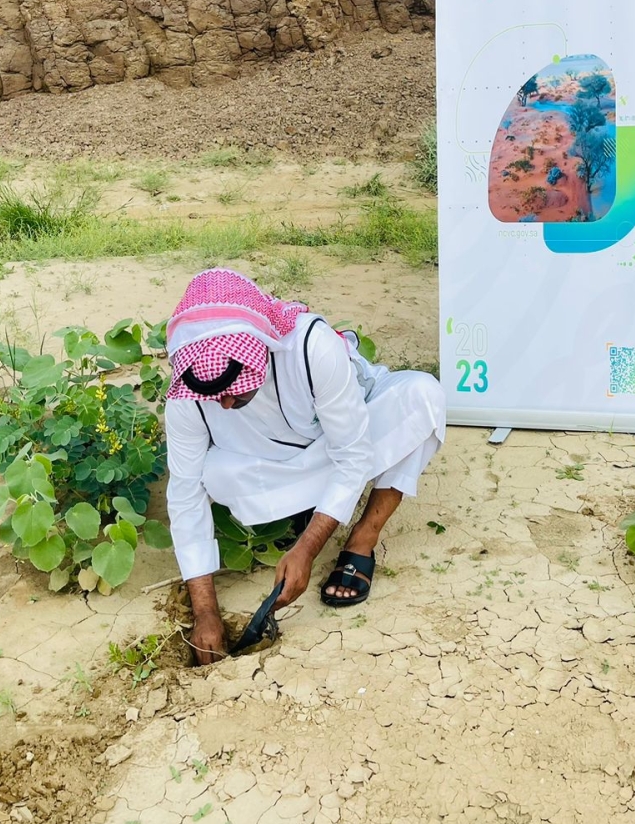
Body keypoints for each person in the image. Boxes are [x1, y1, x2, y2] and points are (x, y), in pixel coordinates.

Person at [163, 268, 446, 664]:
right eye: (215, 396)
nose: (224, 404)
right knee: (207, 473)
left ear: (259, 348)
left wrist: (308, 549)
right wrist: (206, 611)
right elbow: (186, 494)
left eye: (234, 388)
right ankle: (304, 512)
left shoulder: (312, 347)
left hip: (339, 449)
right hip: (271, 472)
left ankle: (361, 539)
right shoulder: (188, 393)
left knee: (423, 396)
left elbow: (352, 455)